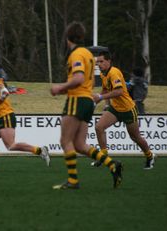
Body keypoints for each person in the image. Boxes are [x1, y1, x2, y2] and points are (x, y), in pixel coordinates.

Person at [50, 21, 123, 190]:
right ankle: (112, 164)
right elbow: (82, 81)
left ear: (68, 37)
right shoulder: (89, 55)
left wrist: (60, 87)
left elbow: (78, 79)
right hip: (88, 101)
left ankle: (73, 181)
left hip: (77, 100)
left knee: (65, 140)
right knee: (80, 145)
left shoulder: (76, 54)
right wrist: (63, 90)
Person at [0, 62, 50, 173]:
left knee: (11, 146)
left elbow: (5, 93)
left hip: (6, 116)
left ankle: (40, 150)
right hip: (0, 117)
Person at [92, 51, 155, 170]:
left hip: (128, 109)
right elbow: (106, 91)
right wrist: (97, 101)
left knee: (135, 137)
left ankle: (149, 156)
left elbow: (119, 91)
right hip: (115, 108)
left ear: (109, 61)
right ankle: (104, 157)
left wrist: (100, 97)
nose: (99, 64)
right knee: (99, 127)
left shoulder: (114, 73)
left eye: (101, 61)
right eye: (97, 62)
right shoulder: (103, 74)